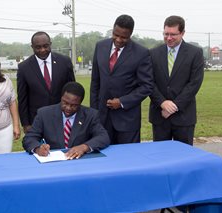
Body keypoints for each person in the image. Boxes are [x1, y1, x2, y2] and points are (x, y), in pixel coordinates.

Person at [90, 14, 153, 144]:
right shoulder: (100, 46)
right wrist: (94, 112)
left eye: (124, 37)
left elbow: (147, 86)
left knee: (128, 159)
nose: (118, 39)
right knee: (104, 158)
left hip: (127, 121)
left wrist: (122, 102)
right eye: (116, 34)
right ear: (113, 29)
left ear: (131, 34)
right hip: (102, 118)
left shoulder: (142, 53)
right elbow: (95, 82)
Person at [149, 15, 204, 145]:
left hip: (184, 117)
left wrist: (173, 107)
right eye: (166, 34)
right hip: (160, 116)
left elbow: (194, 83)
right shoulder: (153, 53)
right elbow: (149, 82)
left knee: (184, 159)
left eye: (173, 34)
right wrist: (162, 103)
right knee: (161, 157)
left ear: (183, 33)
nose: (169, 38)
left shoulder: (195, 53)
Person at [23, 82, 110, 159]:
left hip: (80, 161)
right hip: (53, 162)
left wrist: (84, 147)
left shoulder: (91, 115)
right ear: (61, 98)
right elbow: (29, 138)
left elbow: (103, 137)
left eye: (74, 105)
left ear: (80, 103)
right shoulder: (44, 114)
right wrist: (38, 148)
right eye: (65, 102)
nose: (68, 108)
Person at [17, 31, 75, 134]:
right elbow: (22, 99)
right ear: (32, 47)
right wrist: (26, 124)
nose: (42, 50)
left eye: (46, 46)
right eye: (38, 47)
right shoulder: (24, 67)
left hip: (63, 117)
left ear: (50, 44)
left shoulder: (64, 62)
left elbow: (72, 91)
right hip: (37, 120)